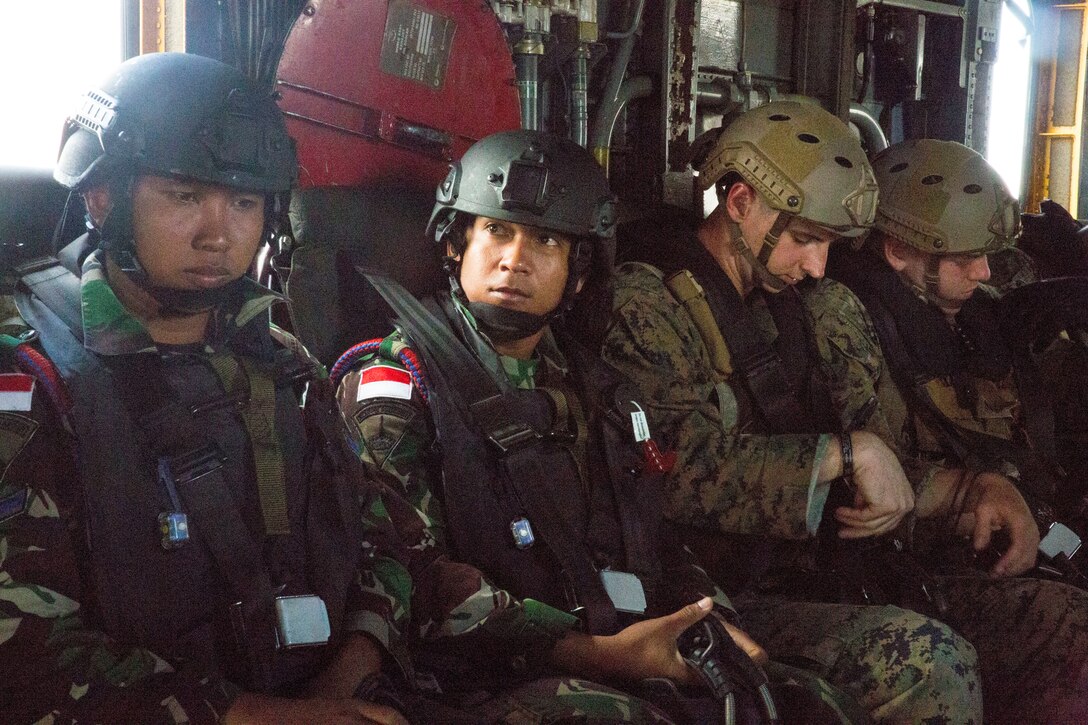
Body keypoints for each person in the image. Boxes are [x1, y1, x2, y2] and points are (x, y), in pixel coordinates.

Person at [334, 129, 862, 722]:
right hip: (476, 675)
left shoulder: (600, 391)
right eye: (497, 231)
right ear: (457, 245)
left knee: (807, 704)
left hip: (617, 645)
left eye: (545, 241)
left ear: (578, 272)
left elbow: (653, 534)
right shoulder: (395, 380)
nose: (514, 259)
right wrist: (597, 654)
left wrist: (707, 620)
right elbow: (408, 572)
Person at [601, 100, 1088, 722]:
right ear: (742, 203)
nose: (817, 266)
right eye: (805, 240)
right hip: (701, 599)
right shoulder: (648, 302)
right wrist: (842, 452)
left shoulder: (793, 301)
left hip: (811, 576)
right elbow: (669, 471)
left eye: (829, 244)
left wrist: (974, 490)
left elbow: (877, 480)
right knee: (932, 662)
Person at [0, 52, 409, 723]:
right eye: (185, 196)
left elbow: (385, 538)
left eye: (244, 202)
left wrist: (356, 666)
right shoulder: (31, 372)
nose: (219, 233)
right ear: (103, 195)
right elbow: (21, 650)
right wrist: (252, 715)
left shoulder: (284, 363)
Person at [825, 139, 1088, 574]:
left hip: (1034, 515)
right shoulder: (847, 319)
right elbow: (873, 482)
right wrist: (977, 496)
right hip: (940, 554)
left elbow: (1046, 376)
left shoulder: (975, 306)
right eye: (965, 258)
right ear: (897, 251)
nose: (983, 271)